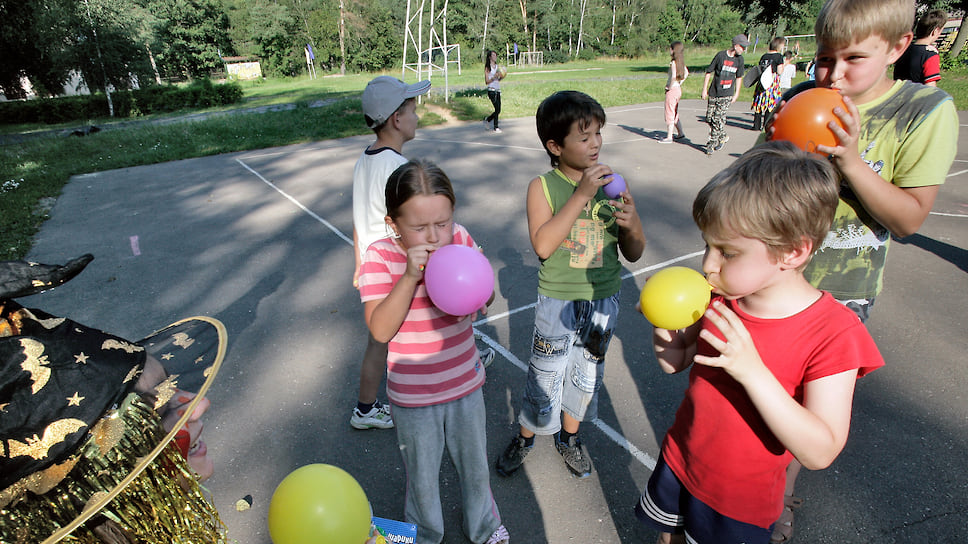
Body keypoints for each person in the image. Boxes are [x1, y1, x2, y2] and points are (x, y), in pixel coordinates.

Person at [768, 1, 958, 541]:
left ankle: (776, 501)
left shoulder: (922, 110)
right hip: (775, 280)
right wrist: (774, 147)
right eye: (824, 59)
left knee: (804, 412)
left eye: (853, 58)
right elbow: (761, 190)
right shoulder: (802, 98)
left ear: (898, 48)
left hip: (841, 296)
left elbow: (907, 219)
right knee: (758, 397)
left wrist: (850, 161)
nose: (833, 74)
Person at [634, 141, 885, 544]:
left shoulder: (833, 333)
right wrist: (662, 320)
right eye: (706, 245)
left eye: (726, 252)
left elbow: (820, 451)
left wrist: (753, 372)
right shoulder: (719, 298)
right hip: (682, 461)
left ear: (793, 251)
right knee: (669, 538)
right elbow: (674, 362)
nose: (707, 265)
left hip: (739, 502)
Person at [495, 90, 646, 479]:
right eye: (584, 136)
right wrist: (581, 194)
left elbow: (634, 253)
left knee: (586, 372)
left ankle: (569, 437)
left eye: (598, 133)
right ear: (555, 146)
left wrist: (632, 224)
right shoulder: (543, 186)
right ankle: (527, 436)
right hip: (558, 301)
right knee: (545, 373)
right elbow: (544, 246)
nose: (595, 143)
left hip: (602, 301)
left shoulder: (614, 184)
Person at [357, 160, 508, 544]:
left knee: (475, 467)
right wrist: (410, 276)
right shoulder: (380, 257)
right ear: (393, 224)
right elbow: (380, 328)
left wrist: (481, 290)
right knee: (422, 475)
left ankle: (485, 526)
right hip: (413, 395)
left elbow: (484, 295)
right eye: (419, 227)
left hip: (465, 383)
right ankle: (424, 534)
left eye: (442, 223)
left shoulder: (459, 239)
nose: (435, 236)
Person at [350, 75, 430, 431]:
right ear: (396, 119)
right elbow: (411, 225)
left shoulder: (364, 161)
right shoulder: (398, 169)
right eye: (413, 109)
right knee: (416, 333)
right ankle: (428, 397)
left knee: (377, 341)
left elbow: (357, 220)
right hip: (397, 267)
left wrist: (359, 264)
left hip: (373, 267)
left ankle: (365, 409)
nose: (417, 115)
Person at [702, 35, 748, 154]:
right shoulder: (720, 56)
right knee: (709, 118)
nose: (743, 49)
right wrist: (704, 89)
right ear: (736, 45)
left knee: (717, 118)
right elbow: (708, 72)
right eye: (742, 47)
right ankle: (723, 136)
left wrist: (737, 93)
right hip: (714, 91)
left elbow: (739, 77)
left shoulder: (740, 60)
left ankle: (711, 144)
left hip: (727, 94)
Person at [893, 9, 947, 86]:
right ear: (935, 31)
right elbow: (930, 89)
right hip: (918, 97)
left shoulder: (903, 50)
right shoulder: (929, 55)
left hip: (900, 95)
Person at [751, 37, 785, 131]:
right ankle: (766, 124)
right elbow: (779, 71)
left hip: (762, 80)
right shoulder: (779, 56)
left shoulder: (764, 56)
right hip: (772, 82)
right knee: (770, 104)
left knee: (760, 102)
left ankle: (756, 125)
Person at [660, 41, 689, 143]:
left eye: (670, 49)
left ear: (673, 50)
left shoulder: (673, 63)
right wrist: (679, 83)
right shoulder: (680, 62)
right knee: (675, 112)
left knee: (669, 113)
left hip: (672, 90)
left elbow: (673, 76)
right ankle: (680, 133)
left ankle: (669, 136)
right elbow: (686, 73)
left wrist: (669, 86)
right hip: (678, 90)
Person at [484, 50, 504, 133]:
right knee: (497, 108)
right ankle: (496, 127)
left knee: (499, 110)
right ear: (490, 57)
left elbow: (498, 79)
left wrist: (502, 76)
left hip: (497, 90)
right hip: (491, 90)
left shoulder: (497, 67)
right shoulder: (488, 68)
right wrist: (493, 77)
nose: (495, 57)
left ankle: (488, 119)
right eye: (493, 55)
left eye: (496, 55)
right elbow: (486, 81)